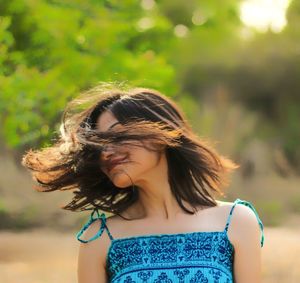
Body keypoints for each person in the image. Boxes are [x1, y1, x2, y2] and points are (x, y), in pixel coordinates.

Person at [22, 83, 265, 283]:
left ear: (160, 134)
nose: (106, 152)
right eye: (99, 144)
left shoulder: (236, 221)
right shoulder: (100, 238)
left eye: (117, 135)